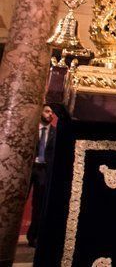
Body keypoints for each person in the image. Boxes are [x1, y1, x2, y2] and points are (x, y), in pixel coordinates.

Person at [27, 105, 56, 247]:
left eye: (51, 112)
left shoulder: (55, 133)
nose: (50, 114)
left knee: (38, 205)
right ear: (40, 112)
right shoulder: (30, 129)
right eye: (47, 111)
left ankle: (33, 237)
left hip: (43, 170)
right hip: (27, 168)